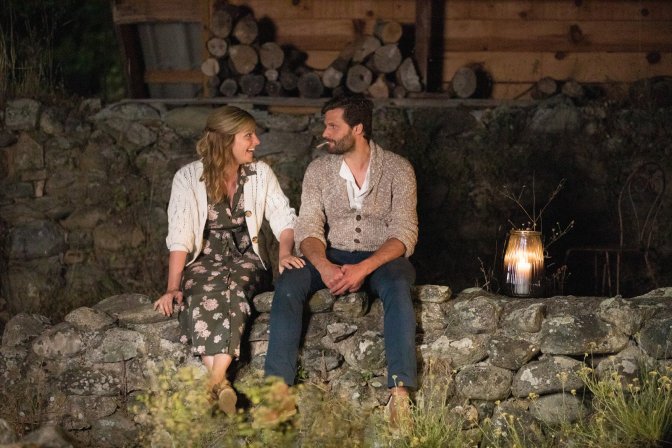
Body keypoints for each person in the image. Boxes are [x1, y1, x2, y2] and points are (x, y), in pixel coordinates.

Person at [264, 95, 418, 423]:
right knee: (289, 282)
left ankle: (400, 393)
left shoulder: (399, 168)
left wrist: (364, 268)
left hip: (380, 258)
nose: (325, 133)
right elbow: (308, 225)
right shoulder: (318, 170)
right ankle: (277, 393)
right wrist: (323, 266)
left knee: (398, 285)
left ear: (357, 128)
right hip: (330, 253)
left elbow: (405, 231)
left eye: (333, 126)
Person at [154, 105, 304, 415]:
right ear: (226, 140)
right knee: (198, 293)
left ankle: (212, 381)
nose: (256, 142)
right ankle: (221, 385)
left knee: (236, 290)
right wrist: (172, 287)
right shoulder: (187, 177)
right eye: (248, 136)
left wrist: (285, 252)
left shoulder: (260, 174)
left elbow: (283, 217)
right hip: (204, 259)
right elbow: (180, 235)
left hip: (247, 257)